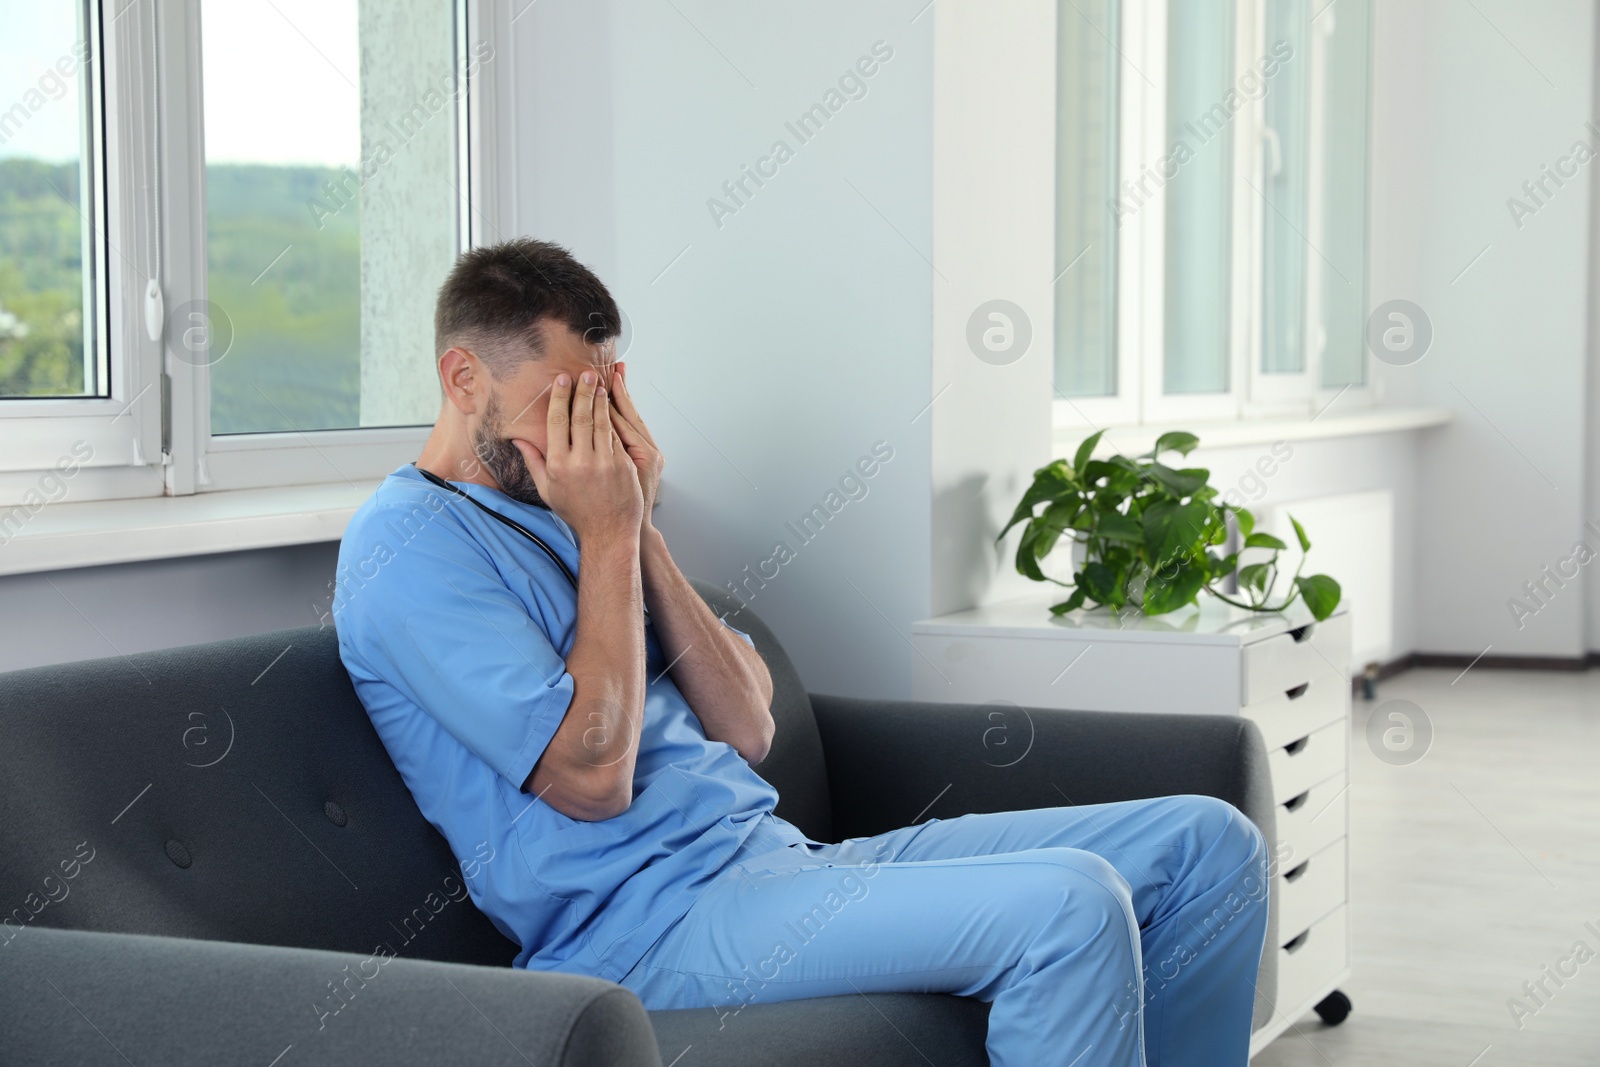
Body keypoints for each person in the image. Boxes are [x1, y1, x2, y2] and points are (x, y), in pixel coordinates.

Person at [333, 238, 1271, 1067]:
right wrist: (611, 533)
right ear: (465, 380)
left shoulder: (578, 513)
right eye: (565, 407)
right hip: (639, 930)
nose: (593, 441)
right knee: (1073, 906)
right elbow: (590, 777)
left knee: (1209, 845)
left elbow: (747, 722)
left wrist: (640, 526)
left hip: (775, 862)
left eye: (605, 406)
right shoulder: (407, 548)